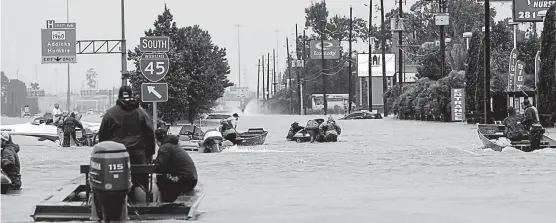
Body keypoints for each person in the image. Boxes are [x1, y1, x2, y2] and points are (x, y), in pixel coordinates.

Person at [98, 86, 155, 193]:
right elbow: (150, 134)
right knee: (141, 184)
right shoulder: (141, 113)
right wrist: (150, 153)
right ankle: (143, 202)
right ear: (131, 95)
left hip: (116, 155)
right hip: (138, 155)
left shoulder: (110, 113)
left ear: (119, 96)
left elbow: (103, 136)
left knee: (115, 182)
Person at [154, 129, 198, 202]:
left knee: (160, 177)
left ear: (157, 140)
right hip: (191, 178)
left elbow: (159, 167)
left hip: (184, 180)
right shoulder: (175, 145)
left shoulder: (164, 147)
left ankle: (165, 201)